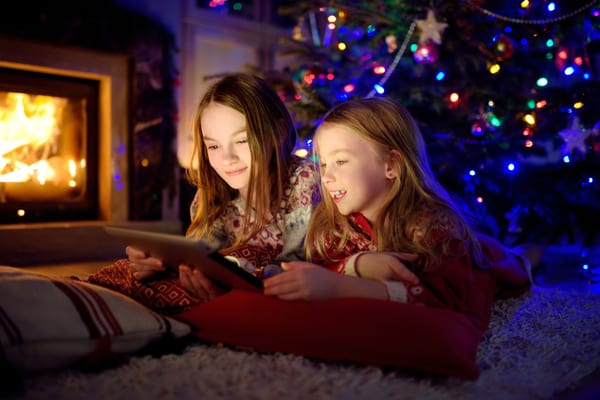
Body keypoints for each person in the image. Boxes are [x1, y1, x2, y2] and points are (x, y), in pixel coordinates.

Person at [263, 97, 535, 330]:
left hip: (484, 260)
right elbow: (319, 268)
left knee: (508, 261)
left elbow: (455, 305)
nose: (327, 176)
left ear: (391, 165)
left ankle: (528, 255)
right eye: (322, 164)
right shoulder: (331, 222)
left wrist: (341, 287)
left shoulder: (437, 226)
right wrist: (357, 264)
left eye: (341, 161)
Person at [88, 73, 319, 310]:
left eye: (242, 140)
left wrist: (233, 272)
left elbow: (295, 264)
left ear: (278, 133)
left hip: (272, 285)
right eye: (214, 146)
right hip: (229, 284)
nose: (227, 158)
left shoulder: (304, 179)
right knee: (124, 274)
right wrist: (154, 264)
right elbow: (196, 258)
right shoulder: (213, 193)